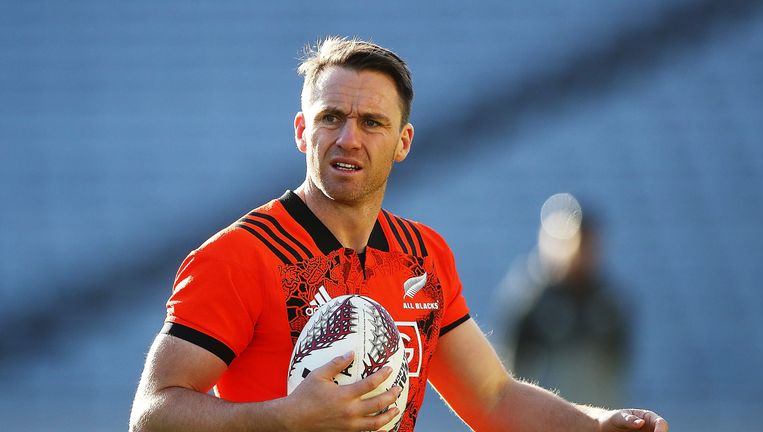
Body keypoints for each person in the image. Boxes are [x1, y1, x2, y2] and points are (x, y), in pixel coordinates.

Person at [129, 36, 668, 432]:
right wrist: (284, 418)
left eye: (371, 123)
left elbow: (492, 396)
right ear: (301, 131)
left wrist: (596, 425)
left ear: (403, 141)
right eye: (331, 117)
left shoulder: (423, 257)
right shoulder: (240, 255)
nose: (348, 138)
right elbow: (151, 414)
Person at [494, 199, 628, 408]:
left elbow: (616, 365)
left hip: (595, 414)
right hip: (545, 416)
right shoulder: (531, 298)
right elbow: (513, 368)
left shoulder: (608, 301)